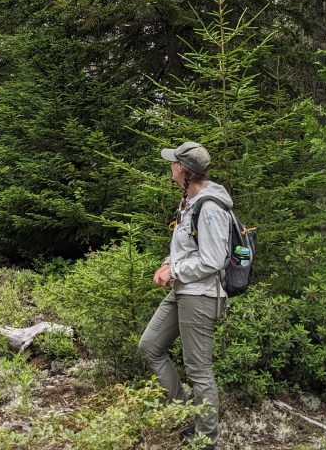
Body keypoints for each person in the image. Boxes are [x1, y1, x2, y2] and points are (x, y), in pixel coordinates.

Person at [138, 141, 231, 450]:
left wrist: (174, 271)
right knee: (150, 346)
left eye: (174, 163)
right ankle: (186, 407)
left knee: (199, 369)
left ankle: (207, 438)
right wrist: (168, 263)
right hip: (183, 292)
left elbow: (214, 260)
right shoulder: (189, 202)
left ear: (183, 170)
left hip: (201, 296)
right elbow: (185, 248)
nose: (171, 167)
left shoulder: (210, 207)